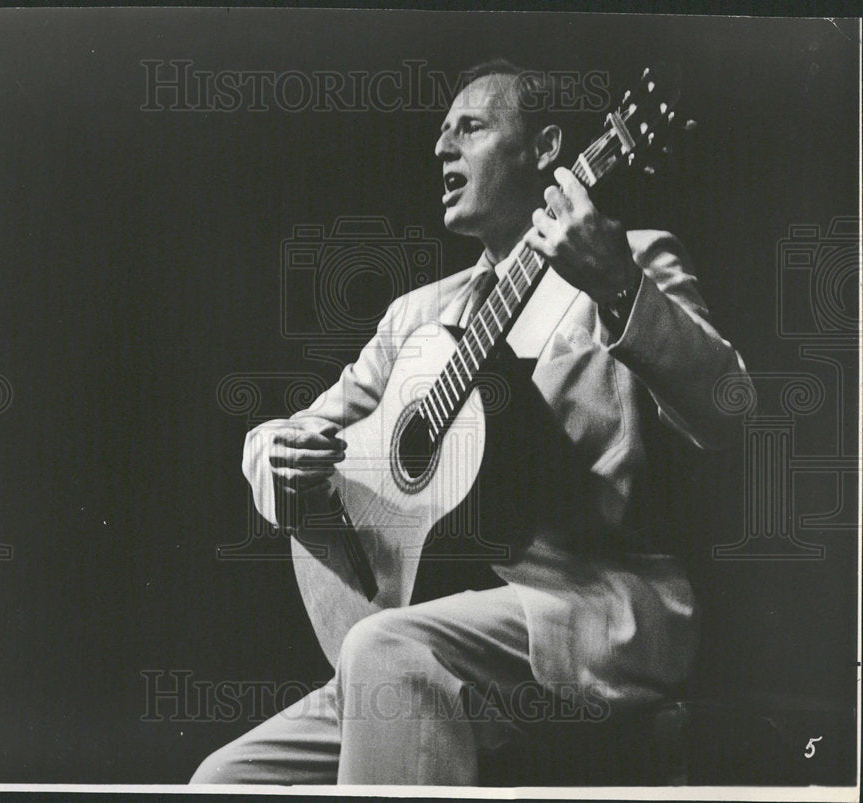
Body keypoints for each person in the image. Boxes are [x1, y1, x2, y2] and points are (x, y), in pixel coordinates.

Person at [191, 59, 749, 786]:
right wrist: (275, 456)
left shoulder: (632, 258)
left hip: (585, 612)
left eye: (470, 128)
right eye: (440, 134)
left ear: (547, 148)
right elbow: (293, 431)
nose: (441, 150)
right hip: (427, 626)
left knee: (383, 646)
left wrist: (618, 286)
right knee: (225, 780)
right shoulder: (418, 316)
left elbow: (728, 410)